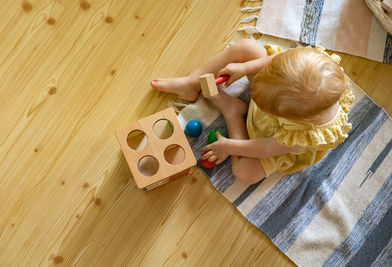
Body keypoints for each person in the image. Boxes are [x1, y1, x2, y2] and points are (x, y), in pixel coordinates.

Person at [151, 39, 354, 185]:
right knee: (246, 47)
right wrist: (246, 67)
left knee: (245, 173)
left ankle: (233, 112)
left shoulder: (304, 134)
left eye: (267, 106)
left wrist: (229, 146)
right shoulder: (313, 61)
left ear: (288, 116)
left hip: (275, 140)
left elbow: (266, 148)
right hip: (283, 96)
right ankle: (190, 83)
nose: (257, 99)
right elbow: (279, 58)